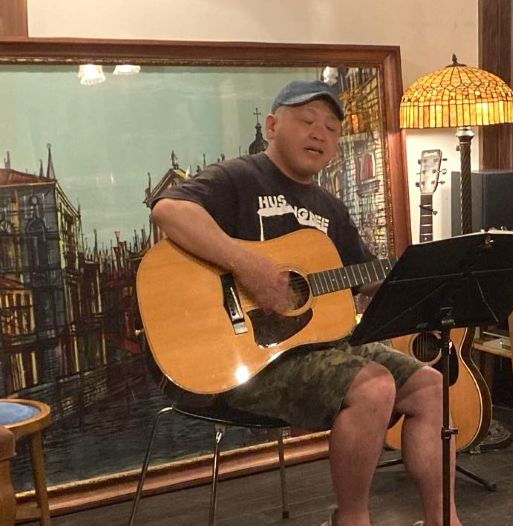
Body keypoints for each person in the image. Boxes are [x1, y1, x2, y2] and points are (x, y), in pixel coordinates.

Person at [150, 80, 464, 526]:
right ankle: (351, 519)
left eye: (332, 128)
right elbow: (168, 211)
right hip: (251, 360)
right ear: (273, 126)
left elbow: (365, 278)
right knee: (374, 387)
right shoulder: (237, 177)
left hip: (319, 350)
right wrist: (248, 266)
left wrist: (430, 274)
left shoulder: (330, 209)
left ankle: (443, 519)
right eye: (307, 121)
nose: (320, 133)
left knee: (429, 386)